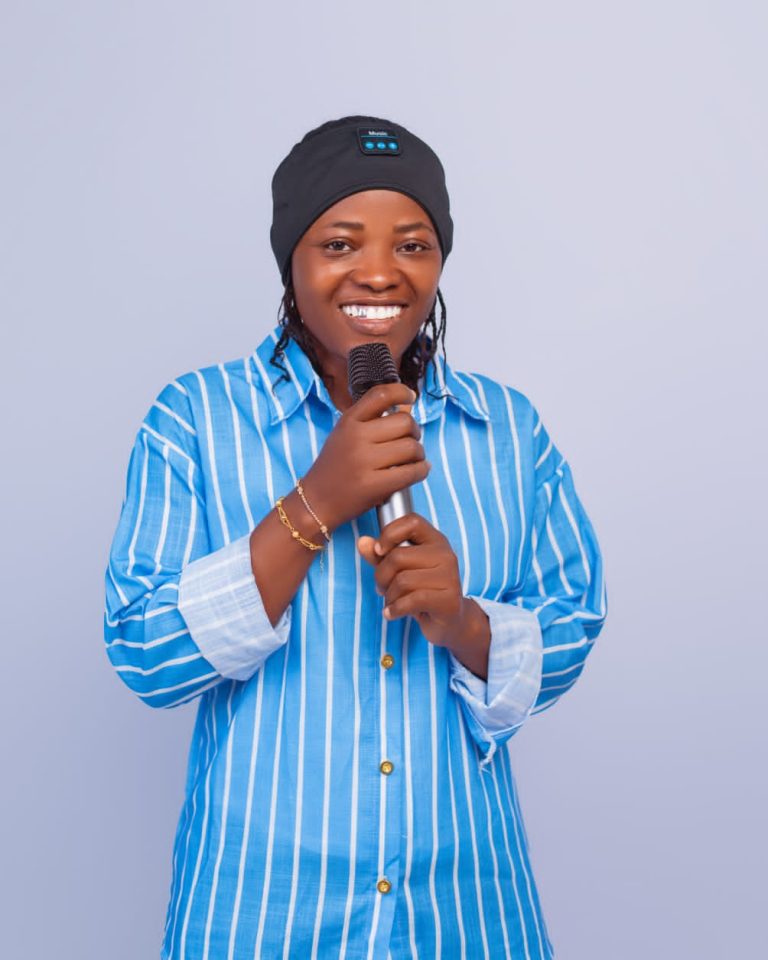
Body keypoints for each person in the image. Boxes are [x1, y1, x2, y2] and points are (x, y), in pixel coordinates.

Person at [104, 115, 607, 960]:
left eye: (413, 245)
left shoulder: (508, 429)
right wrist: (316, 503)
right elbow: (144, 655)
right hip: (260, 915)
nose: (379, 272)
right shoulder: (193, 419)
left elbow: (574, 624)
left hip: (467, 912)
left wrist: (464, 624)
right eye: (340, 244)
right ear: (292, 261)